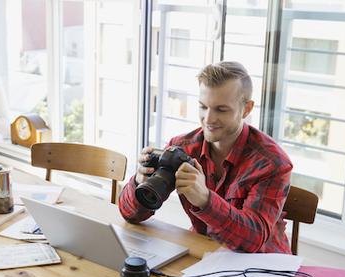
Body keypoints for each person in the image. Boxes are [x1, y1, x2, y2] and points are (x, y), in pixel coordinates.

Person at [118, 61, 293, 254]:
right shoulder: (182, 148)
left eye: (221, 109)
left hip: (264, 268)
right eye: (203, 107)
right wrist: (139, 182)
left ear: (246, 109)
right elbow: (130, 215)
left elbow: (253, 240)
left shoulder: (272, 163)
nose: (208, 119)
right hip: (204, 256)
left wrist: (205, 199)